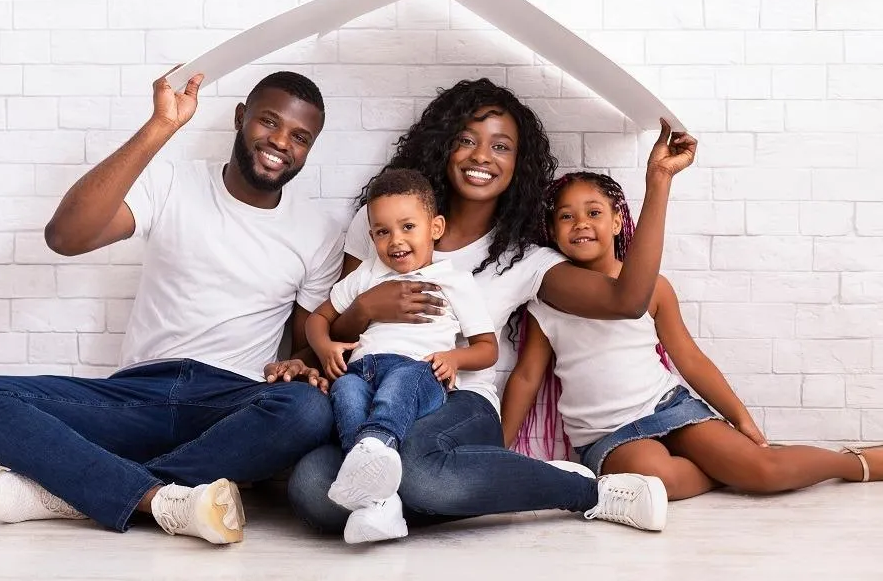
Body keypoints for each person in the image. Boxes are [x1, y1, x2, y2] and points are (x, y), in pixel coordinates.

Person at [0, 69, 345, 546]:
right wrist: (160, 128)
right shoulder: (173, 181)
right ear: (240, 118)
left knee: (309, 410)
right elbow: (65, 237)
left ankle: (78, 492)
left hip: (227, 406)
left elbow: (303, 350)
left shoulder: (317, 232)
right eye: (268, 122)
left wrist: (301, 366)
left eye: (299, 137)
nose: (280, 142)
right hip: (136, 398)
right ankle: (158, 497)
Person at [287, 78, 697, 541]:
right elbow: (337, 323)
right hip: (374, 388)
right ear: (443, 147)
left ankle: (587, 491)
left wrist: (658, 182)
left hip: (461, 402)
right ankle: (438, 493)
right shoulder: (384, 219)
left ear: (518, 165)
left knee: (420, 472)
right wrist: (364, 309)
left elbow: (628, 301)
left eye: (500, 146)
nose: (481, 156)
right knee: (312, 488)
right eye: (466, 140)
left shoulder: (524, 259)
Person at [503, 171, 883, 499]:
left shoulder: (653, 288)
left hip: (668, 407)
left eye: (594, 212)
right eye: (566, 217)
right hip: (607, 433)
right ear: (552, 231)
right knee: (655, 478)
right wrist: (497, 450)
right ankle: (732, 472)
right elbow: (526, 376)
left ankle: (853, 462)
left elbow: (690, 358)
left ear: (618, 222)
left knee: (765, 471)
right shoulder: (545, 299)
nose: (581, 223)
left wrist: (740, 417)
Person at [306, 168, 497, 543]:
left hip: (420, 374)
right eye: (382, 231)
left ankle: (375, 447)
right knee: (343, 390)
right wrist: (325, 347)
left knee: (400, 381)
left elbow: (487, 348)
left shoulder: (454, 281)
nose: (396, 240)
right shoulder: (367, 276)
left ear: (435, 227)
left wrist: (455, 360)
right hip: (362, 371)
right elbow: (319, 318)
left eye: (408, 227)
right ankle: (375, 493)